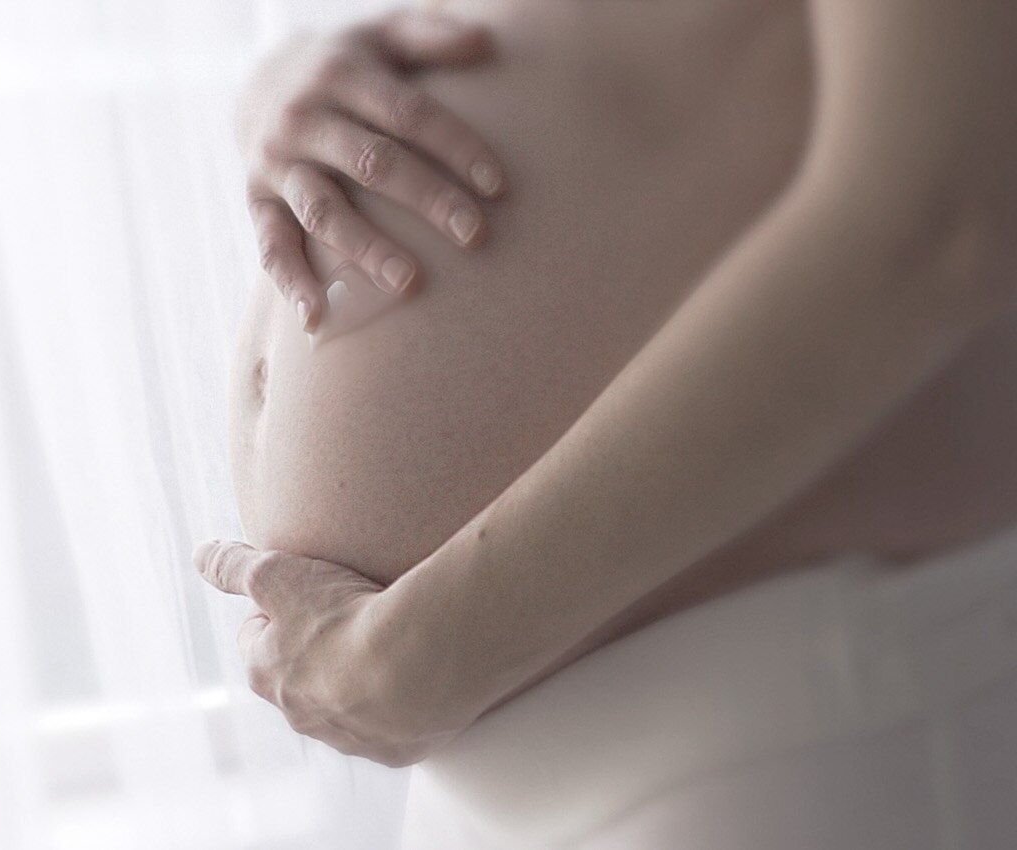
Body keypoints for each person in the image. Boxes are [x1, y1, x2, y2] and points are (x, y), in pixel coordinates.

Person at [196, 1, 1017, 845]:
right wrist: (294, 80)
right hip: (485, 723)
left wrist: (424, 651)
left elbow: (941, 215)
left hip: (760, 705)